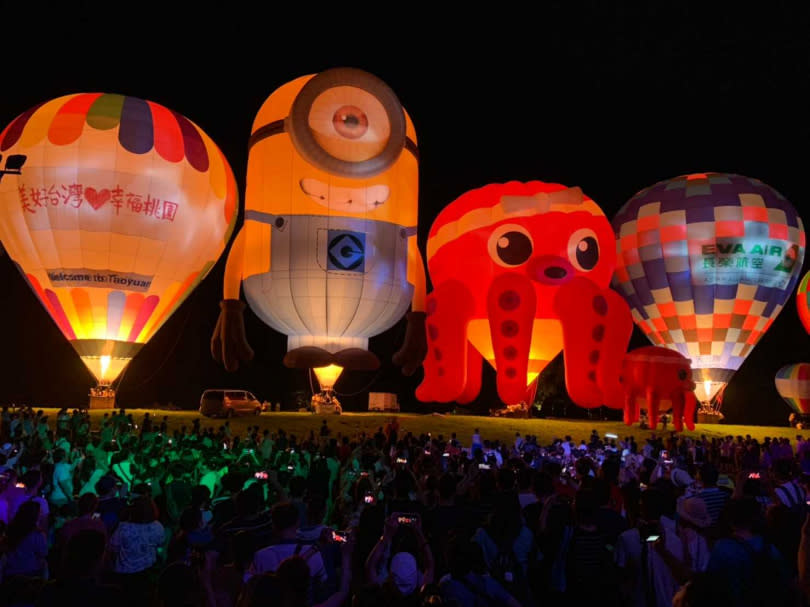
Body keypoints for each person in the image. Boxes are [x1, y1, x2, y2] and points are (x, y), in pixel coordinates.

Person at [1, 499, 48, 580]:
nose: (43, 514)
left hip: (10, 572)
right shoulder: (37, 534)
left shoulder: (11, 530)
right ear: (35, 515)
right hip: (30, 574)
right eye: (40, 512)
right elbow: (43, 554)